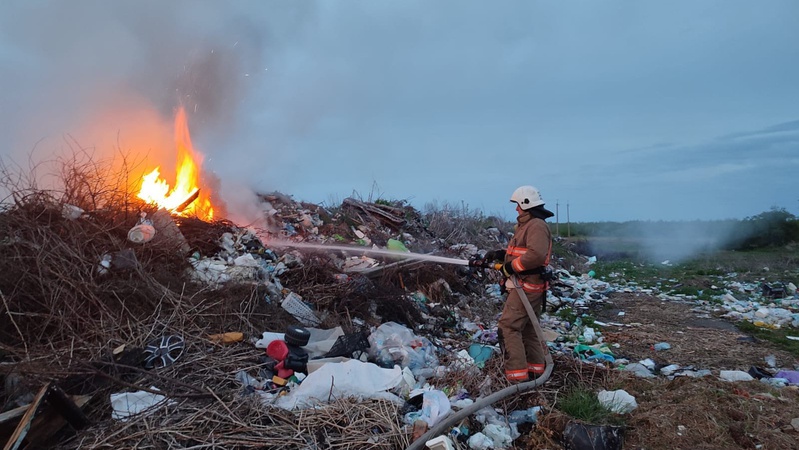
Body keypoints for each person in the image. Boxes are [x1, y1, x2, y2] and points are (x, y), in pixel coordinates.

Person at [484, 185, 554, 382]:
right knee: (529, 329)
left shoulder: (536, 225)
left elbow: (535, 255)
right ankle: (535, 372)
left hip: (527, 285)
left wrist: (510, 268)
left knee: (508, 327)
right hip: (526, 284)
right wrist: (501, 255)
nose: (516, 209)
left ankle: (516, 379)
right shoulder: (527, 225)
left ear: (526, 204)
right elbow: (522, 251)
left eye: (518, 205)